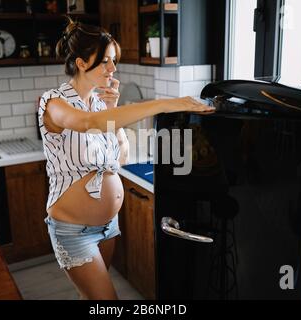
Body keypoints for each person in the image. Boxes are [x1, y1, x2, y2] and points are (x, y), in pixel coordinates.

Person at [38, 17, 214, 300]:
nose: (113, 68)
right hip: (74, 230)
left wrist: (113, 109)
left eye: (114, 61)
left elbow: (120, 157)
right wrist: (165, 104)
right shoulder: (53, 102)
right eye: (106, 61)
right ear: (82, 63)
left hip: (108, 225)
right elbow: (85, 124)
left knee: (91, 299)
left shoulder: (99, 104)